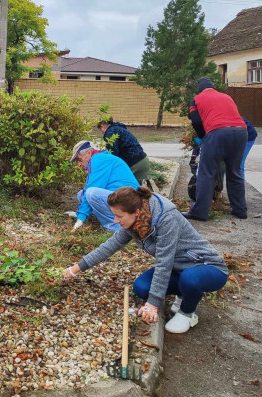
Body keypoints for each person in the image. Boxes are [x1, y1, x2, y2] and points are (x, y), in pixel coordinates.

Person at [63, 186, 228, 334]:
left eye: (118, 216)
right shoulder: (134, 223)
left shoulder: (166, 220)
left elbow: (164, 262)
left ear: (135, 212)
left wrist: (152, 305)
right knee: (141, 288)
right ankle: (182, 293)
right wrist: (74, 269)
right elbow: (108, 247)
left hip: (208, 267)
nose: (115, 221)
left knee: (190, 279)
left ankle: (188, 313)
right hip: (177, 269)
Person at [186, 78, 248, 221]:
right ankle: (240, 210)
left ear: (200, 89)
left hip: (217, 132)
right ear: (213, 87)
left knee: (206, 173)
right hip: (240, 132)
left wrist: (203, 137)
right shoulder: (227, 97)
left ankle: (199, 212)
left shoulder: (197, 98)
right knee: (235, 171)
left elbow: (195, 120)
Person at [68, 141, 138, 232]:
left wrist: (80, 219)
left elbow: (90, 189)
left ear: (88, 153)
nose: (79, 164)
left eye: (80, 160)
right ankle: (116, 220)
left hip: (130, 201)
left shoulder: (97, 160)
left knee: (91, 193)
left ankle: (115, 228)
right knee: (80, 194)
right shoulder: (100, 158)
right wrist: (80, 214)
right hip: (126, 198)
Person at [97, 117, 151, 184]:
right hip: (142, 160)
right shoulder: (119, 128)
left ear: (102, 124)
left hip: (134, 164)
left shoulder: (110, 132)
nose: (101, 132)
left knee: (130, 190)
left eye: (100, 129)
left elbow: (113, 154)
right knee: (141, 190)